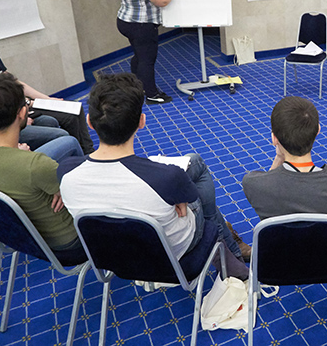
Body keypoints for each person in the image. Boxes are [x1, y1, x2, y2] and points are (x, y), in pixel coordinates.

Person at [57, 73, 250, 268]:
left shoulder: (65, 171)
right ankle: (228, 249)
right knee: (196, 167)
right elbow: (190, 195)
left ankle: (229, 248)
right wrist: (178, 194)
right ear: (142, 121)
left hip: (110, 255)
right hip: (170, 253)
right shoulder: (166, 177)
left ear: (89, 122)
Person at [0, 73, 84, 257]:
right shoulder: (36, 165)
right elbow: (81, 195)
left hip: (15, 238)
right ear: (23, 112)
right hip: (69, 244)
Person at [242, 96, 327, 265]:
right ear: (318, 130)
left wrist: (279, 157)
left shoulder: (253, 184)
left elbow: (269, 181)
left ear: (274, 138)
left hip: (276, 268)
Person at [0, 16, 94, 153]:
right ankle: (81, 154)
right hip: (7, 119)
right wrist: (18, 119)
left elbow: (13, 82)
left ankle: (87, 152)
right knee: (63, 128)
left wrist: (47, 99)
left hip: (20, 108)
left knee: (72, 110)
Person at [117, 0, 178, 105]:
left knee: (139, 55)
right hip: (141, 26)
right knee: (146, 59)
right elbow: (162, 0)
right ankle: (151, 94)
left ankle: (137, 86)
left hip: (125, 21)